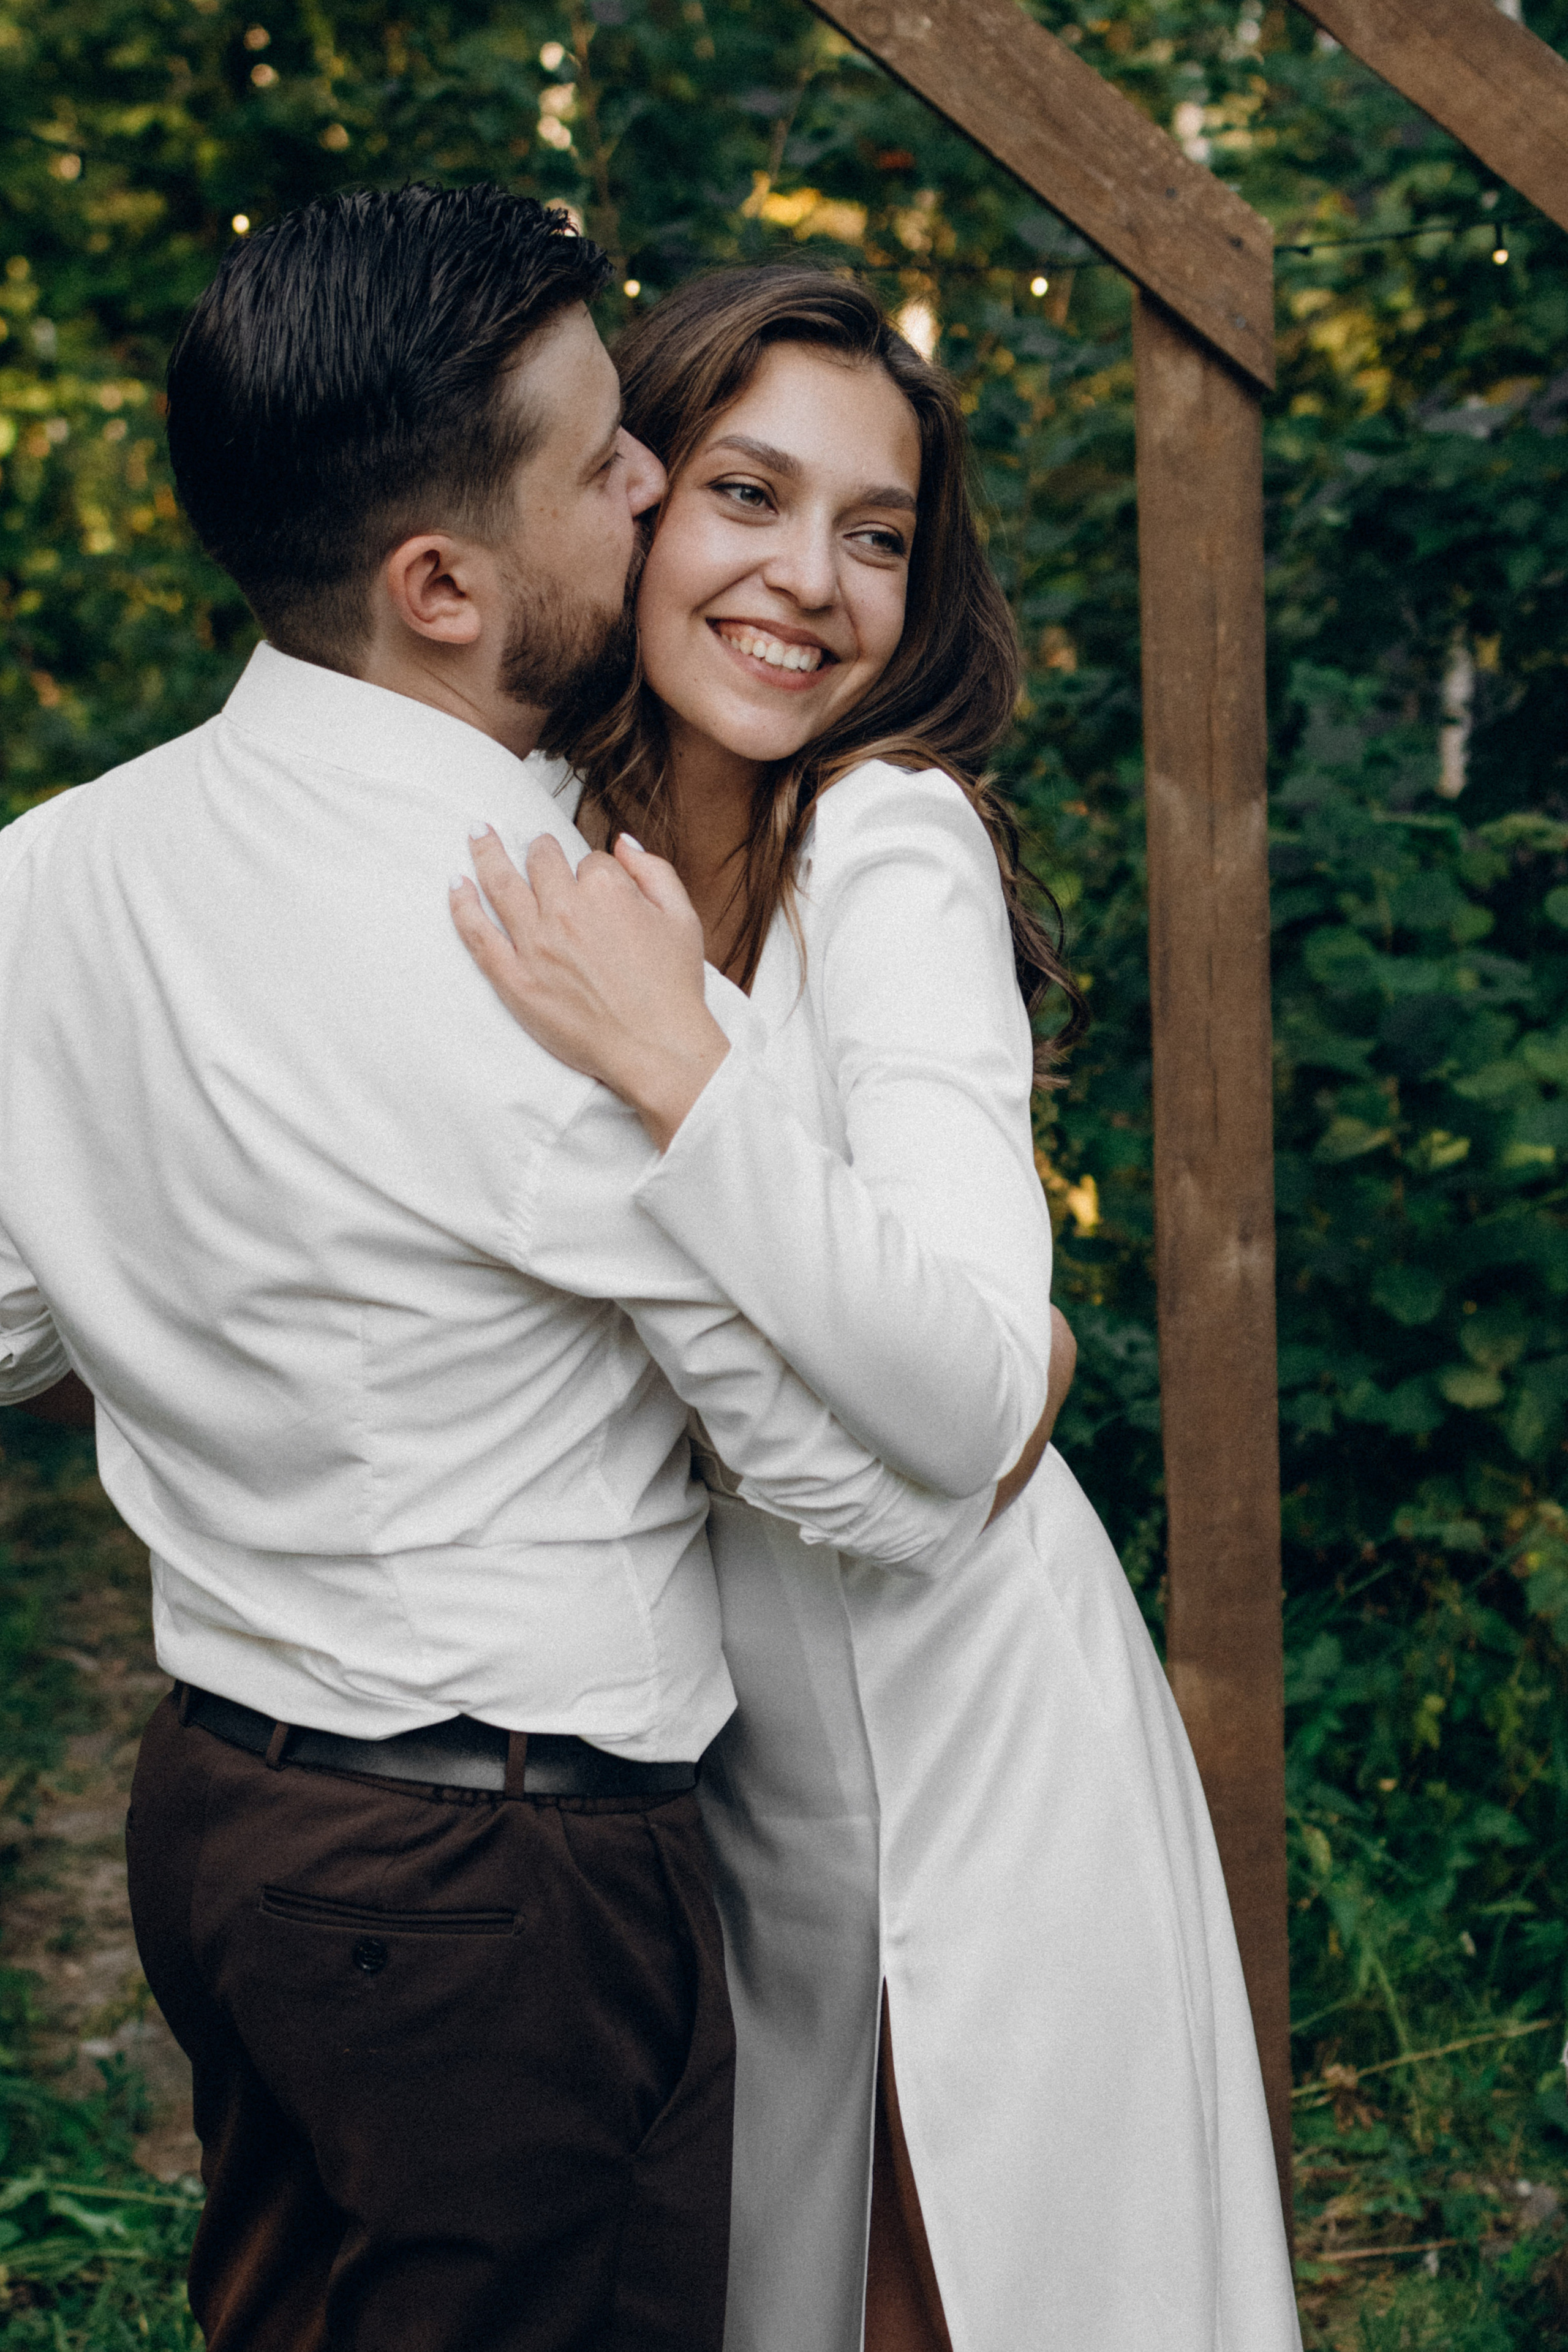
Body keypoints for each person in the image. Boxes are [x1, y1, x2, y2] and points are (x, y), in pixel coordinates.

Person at [0, 195, 1063, 2352]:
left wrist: (230, 1320)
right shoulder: (552, 945)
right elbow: (858, 1481)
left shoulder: (61, 867)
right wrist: (1007, 1372)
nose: (659, 483)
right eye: (611, 465)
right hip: (506, 1882)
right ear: (443, 586)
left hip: (222, 1828)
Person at [452, 267, 1304, 2351]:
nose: (811, 581)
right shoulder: (540, 843)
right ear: (634, 502)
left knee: (982, 2279)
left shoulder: (889, 838)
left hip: (977, 1733)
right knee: (801, 2282)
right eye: (750, 495)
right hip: (738, 1753)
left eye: (878, 534)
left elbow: (967, 1392)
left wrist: (686, 1066)